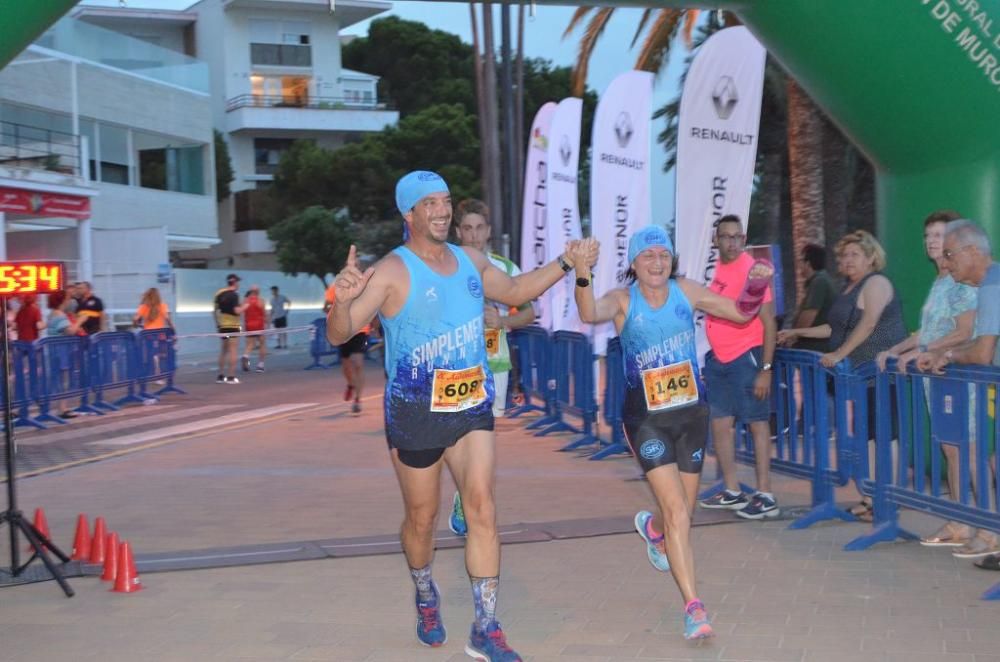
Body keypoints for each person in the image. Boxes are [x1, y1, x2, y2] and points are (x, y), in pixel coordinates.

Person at [328, 170, 591, 661]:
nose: (443, 210)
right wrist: (340, 303)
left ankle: (485, 627)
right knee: (422, 520)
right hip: (415, 414)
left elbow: (515, 291)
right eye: (430, 203)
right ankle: (425, 590)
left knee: (483, 509)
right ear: (409, 214)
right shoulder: (390, 271)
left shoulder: (472, 260)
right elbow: (340, 334)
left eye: (446, 201)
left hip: (471, 406)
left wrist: (565, 262)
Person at [574, 224, 771, 640]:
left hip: (690, 416)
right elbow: (589, 312)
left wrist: (754, 287)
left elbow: (740, 313)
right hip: (645, 420)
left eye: (663, 255)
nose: (657, 262)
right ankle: (694, 608)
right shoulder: (623, 300)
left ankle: (656, 531)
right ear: (634, 263)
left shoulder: (688, 290)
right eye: (648, 256)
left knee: (682, 513)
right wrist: (581, 270)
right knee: (680, 512)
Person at [779, 229, 907, 521]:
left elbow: (869, 324)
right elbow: (833, 329)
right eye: (844, 255)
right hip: (862, 376)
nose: (847, 260)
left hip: (882, 373)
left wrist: (839, 354)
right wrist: (796, 331)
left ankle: (887, 499)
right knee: (870, 437)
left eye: (855, 254)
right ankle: (871, 497)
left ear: (872, 257)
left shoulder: (876, 283)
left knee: (886, 437)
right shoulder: (849, 287)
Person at [874, 211, 978, 548]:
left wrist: (922, 350)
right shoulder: (940, 280)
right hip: (938, 376)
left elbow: (964, 331)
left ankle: (988, 529)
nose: (932, 241)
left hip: (959, 376)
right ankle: (960, 522)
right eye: (928, 235)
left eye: (940, 234)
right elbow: (929, 329)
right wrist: (897, 348)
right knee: (952, 451)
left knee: (968, 452)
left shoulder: (961, 280)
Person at [448, 199, 536, 537]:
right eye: (466, 229)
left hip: (494, 365)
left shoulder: (504, 268)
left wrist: (502, 321)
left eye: (479, 228)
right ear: (458, 232)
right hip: (455, 367)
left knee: (481, 439)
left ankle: (467, 499)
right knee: (458, 438)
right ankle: (467, 495)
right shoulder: (447, 265)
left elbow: (530, 311)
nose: (473, 235)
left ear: (488, 231)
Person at [917, 219, 1000, 563]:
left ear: (972, 251)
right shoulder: (988, 287)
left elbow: (981, 352)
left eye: (949, 254)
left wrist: (947, 354)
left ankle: (990, 531)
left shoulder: (993, 287)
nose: (945, 263)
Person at [697, 215, 780, 520]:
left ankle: (766, 494)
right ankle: (732, 490)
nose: (731, 242)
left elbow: (769, 322)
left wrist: (766, 368)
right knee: (720, 424)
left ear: (743, 240)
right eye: (725, 237)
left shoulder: (753, 271)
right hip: (718, 359)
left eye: (736, 237)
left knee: (757, 423)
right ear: (715, 241)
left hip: (747, 357)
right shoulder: (715, 269)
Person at [326, 284, 369, 415]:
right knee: (346, 367)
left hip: (360, 330)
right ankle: (351, 384)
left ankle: (357, 400)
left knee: (358, 364)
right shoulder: (335, 288)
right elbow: (326, 306)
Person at [790, 243, 836, 352]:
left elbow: (808, 317)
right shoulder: (819, 280)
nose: (799, 265)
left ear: (808, 263)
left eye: (801, 261)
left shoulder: (819, 282)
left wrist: (791, 336)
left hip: (816, 348)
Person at [214, 273, 246, 384]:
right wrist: (245, 306)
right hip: (233, 326)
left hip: (223, 326)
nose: (239, 285)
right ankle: (231, 377)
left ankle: (220, 375)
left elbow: (215, 311)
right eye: (238, 282)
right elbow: (237, 311)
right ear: (235, 282)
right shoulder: (234, 295)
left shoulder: (219, 293)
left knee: (223, 351)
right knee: (233, 350)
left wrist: (218, 324)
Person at [241, 285, 267, 373]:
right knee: (262, 344)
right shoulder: (261, 301)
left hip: (249, 325)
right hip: (259, 325)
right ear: (258, 292)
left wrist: (244, 325)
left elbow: (243, 313)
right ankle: (260, 365)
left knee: (250, 344)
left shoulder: (245, 301)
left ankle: (245, 356)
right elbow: (264, 314)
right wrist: (268, 323)